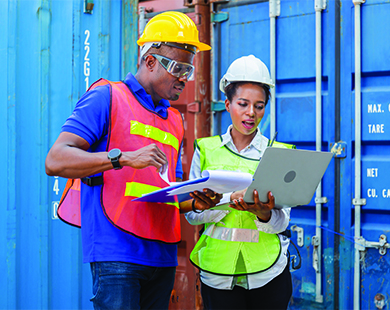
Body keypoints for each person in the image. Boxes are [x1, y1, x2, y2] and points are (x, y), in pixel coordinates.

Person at [45, 11, 220, 310]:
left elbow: (166, 191)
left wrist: (195, 201)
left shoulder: (175, 119)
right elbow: (56, 160)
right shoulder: (106, 97)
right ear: (150, 60)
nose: (183, 77)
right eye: (177, 67)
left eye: (188, 70)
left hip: (162, 254)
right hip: (116, 253)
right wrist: (122, 158)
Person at [186, 55, 295, 310]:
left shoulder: (277, 152)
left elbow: (283, 221)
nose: (251, 113)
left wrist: (263, 213)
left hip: (268, 274)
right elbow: (191, 215)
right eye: (243, 104)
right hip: (217, 273)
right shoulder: (205, 149)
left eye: (259, 106)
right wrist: (216, 203)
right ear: (227, 104)